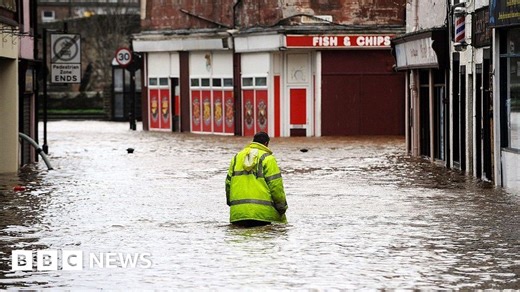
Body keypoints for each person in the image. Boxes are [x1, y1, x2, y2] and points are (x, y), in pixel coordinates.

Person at [225, 132, 288, 227]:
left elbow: (228, 183)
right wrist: (281, 207)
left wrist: (233, 204)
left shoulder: (237, 157)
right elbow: (276, 186)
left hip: (238, 213)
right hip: (262, 215)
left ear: (253, 141)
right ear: (266, 143)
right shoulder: (268, 158)